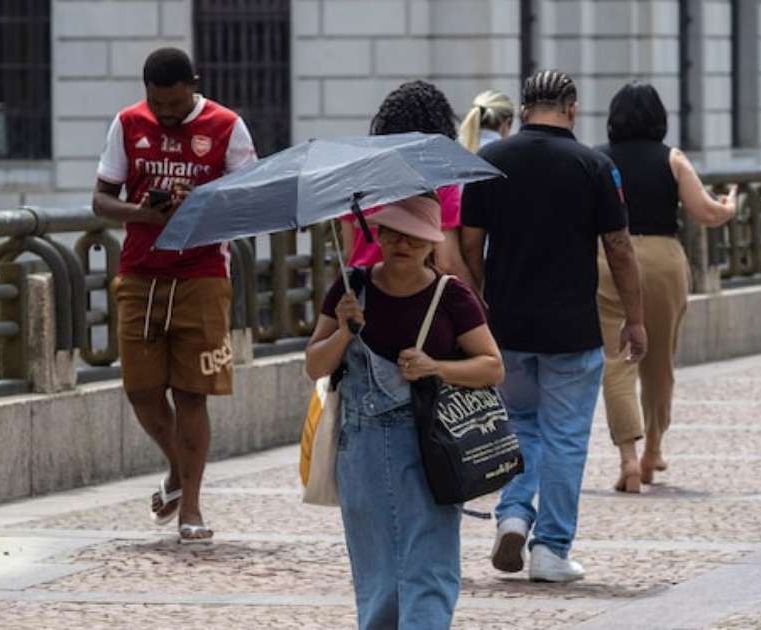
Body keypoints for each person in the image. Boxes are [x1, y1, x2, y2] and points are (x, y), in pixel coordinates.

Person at [460, 70, 647, 583]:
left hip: (507, 323)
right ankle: (552, 549)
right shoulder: (594, 166)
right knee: (565, 438)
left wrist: (479, 297)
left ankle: (514, 514)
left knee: (520, 425)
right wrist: (634, 318)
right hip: (572, 326)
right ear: (571, 108)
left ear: (523, 109)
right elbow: (620, 248)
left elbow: (469, 242)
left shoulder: (490, 162)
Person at [306, 195, 503, 628]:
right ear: (376, 233)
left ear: (433, 241)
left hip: (429, 445)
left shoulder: (451, 295)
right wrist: (343, 332)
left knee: (429, 565)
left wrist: (437, 367)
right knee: (377, 573)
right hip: (360, 449)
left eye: (415, 236)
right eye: (393, 231)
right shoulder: (349, 287)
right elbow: (315, 365)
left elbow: (492, 366)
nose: (402, 243)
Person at [92, 47, 257, 543]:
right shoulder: (127, 123)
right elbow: (101, 199)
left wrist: (199, 201)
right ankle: (175, 466)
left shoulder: (228, 127)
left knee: (191, 393)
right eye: (157, 105)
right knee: (140, 389)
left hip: (202, 274)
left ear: (194, 86)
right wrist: (143, 212)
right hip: (141, 272)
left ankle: (191, 505)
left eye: (174, 105)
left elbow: (248, 199)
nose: (165, 114)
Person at [596, 82, 737, 493]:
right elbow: (705, 213)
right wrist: (730, 205)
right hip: (662, 260)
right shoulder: (672, 159)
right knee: (658, 360)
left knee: (616, 359)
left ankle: (626, 457)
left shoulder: (598, 161)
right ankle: (653, 449)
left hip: (608, 257)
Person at [340, 80, 475, 286]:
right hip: (411, 294)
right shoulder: (439, 182)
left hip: (363, 291)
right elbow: (446, 262)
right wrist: (479, 305)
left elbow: (349, 251)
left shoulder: (355, 176)